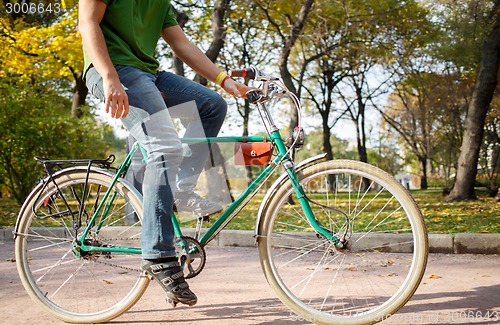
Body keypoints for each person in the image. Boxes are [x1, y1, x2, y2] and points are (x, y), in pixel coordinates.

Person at [79, 0, 252, 307]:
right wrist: (109, 77)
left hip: (148, 74)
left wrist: (226, 82)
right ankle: (158, 255)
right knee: (164, 147)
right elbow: (88, 23)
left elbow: (181, 43)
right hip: (112, 70)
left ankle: (180, 190)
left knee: (212, 105)